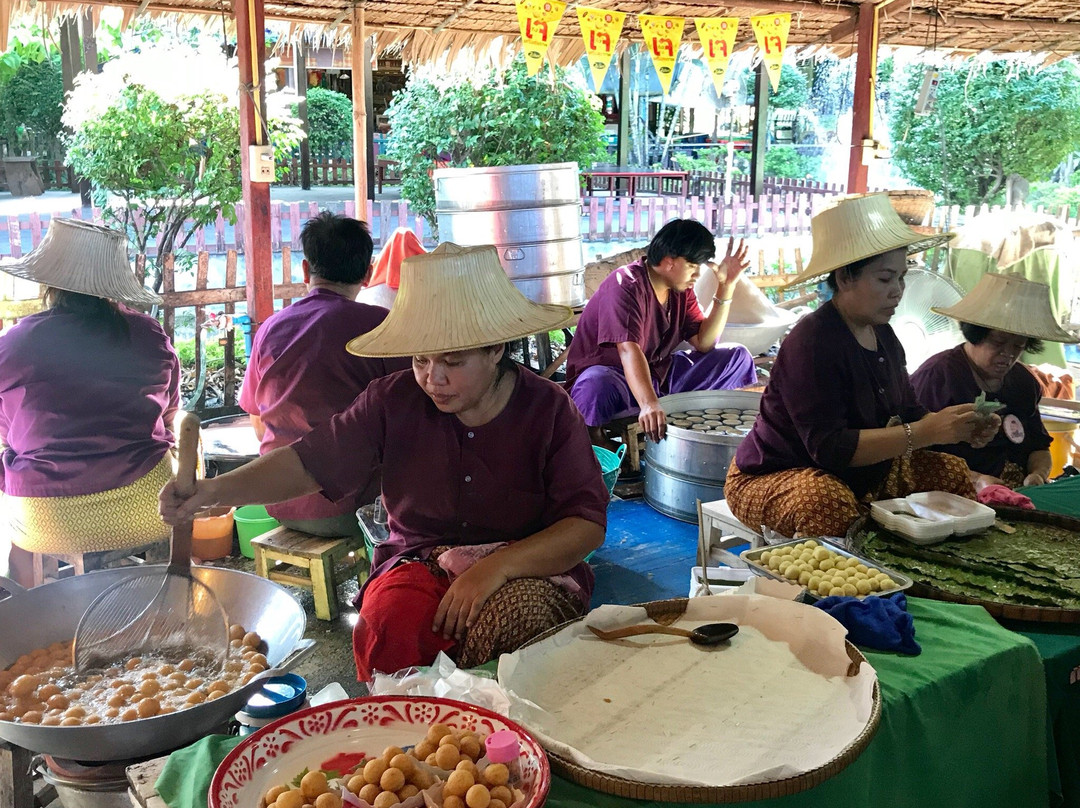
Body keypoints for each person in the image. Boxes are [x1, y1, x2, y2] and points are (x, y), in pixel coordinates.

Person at [162, 243, 609, 680]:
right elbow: (307, 464)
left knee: (516, 630)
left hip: (526, 565)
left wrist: (497, 567)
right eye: (420, 360)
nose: (433, 378)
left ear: (496, 350)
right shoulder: (393, 399)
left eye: (452, 361)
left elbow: (584, 524)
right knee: (387, 627)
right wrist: (212, 492)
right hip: (420, 559)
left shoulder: (548, 409)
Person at [725, 194, 1000, 539]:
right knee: (824, 500)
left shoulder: (883, 334)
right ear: (844, 278)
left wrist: (958, 427)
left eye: (902, 277)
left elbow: (911, 413)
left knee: (950, 471)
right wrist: (928, 432)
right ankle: (845, 589)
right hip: (777, 476)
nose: (898, 291)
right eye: (885, 279)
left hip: (862, 474)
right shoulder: (812, 341)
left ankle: (939, 566)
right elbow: (829, 449)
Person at [0, 219, 179, 587]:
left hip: (44, 518)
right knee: (190, 441)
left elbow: (8, 434)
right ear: (113, 284)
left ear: (50, 283)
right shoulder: (148, 334)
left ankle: (28, 609)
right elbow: (171, 412)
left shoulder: (15, 343)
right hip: (149, 505)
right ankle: (172, 590)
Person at [239, 212, 408, 537]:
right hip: (356, 508)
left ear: (305, 270)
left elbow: (258, 424)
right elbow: (409, 420)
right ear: (368, 273)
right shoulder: (381, 326)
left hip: (280, 501)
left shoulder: (271, 328)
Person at [564, 219, 758, 445]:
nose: (697, 275)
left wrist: (727, 287)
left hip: (660, 373)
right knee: (595, 384)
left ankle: (685, 414)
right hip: (617, 379)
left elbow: (704, 343)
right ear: (668, 262)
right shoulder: (625, 284)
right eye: (693, 266)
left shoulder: (681, 290)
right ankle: (594, 436)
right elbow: (628, 350)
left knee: (737, 356)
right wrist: (649, 403)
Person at [911, 272, 1078, 490]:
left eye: (1018, 346)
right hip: (952, 492)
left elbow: (1039, 447)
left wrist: (1037, 474)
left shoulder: (1024, 382)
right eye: (998, 342)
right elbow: (914, 455)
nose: (1008, 354)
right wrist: (976, 481)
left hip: (1014, 490)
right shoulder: (937, 377)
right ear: (975, 334)